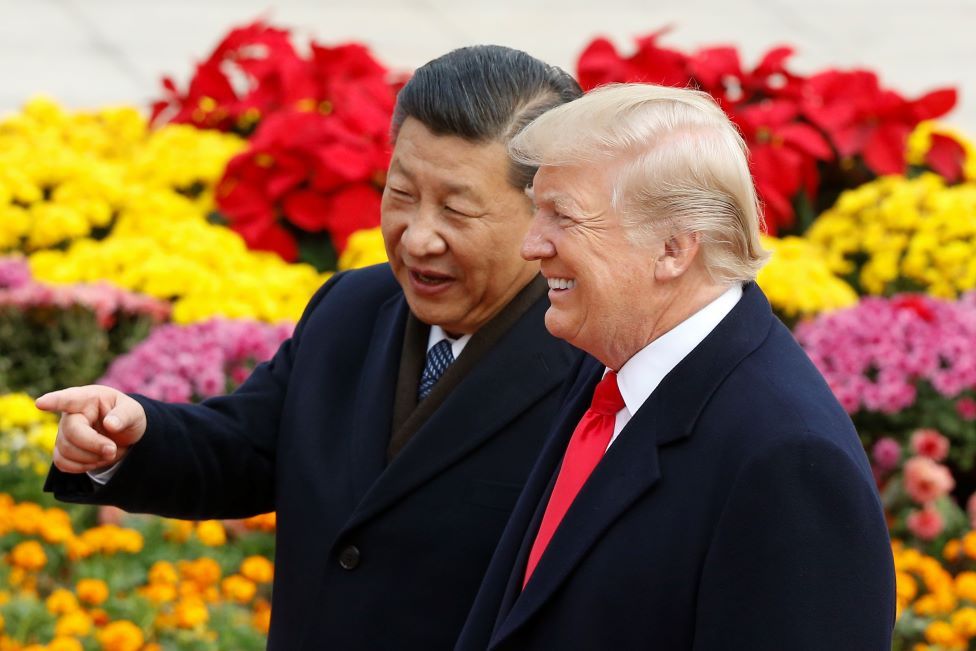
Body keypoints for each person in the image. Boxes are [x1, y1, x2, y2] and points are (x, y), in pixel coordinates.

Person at [36, 45, 583, 650]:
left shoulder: (591, 364)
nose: (418, 237)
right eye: (401, 194)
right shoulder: (352, 308)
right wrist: (130, 437)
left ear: (546, 212)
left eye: (456, 210)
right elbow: (248, 448)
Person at [455, 83, 896, 650]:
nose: (532, 244)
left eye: (561, 216)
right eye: (537, 210)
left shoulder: (790, 462)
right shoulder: (612, 359)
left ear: (673, 248)